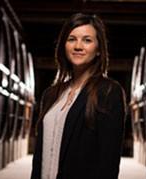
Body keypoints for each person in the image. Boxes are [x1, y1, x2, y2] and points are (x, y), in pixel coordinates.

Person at [31, 13, 126, 179]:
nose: (78, 46)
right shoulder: (51, 94)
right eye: (72, 39)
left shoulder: (109, 92)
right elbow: (39, 156)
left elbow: (108, 161)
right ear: (64, 46)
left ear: (98, 50)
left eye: (87, 40)